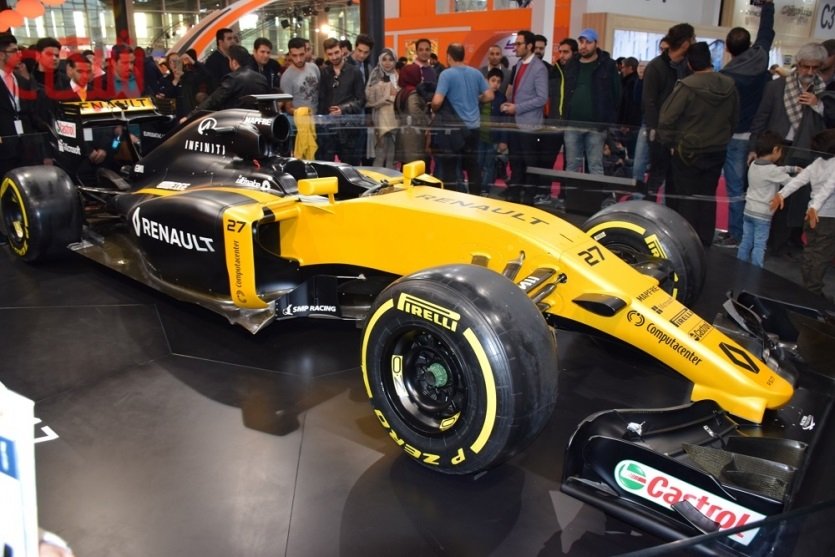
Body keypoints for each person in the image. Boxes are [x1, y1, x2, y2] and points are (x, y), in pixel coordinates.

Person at [750, 42, 828, 256]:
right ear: (797, 64)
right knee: (772, 197)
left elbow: (828, 122)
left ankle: (788, 242)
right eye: (805, 66)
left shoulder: (823, 91)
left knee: (799, 200)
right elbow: (761, 118)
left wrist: (818, 105)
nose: (809, 72)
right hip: (778, 150)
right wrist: (754, 148)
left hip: (808, 152)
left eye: (815, 67)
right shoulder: (776, 87)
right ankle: (768, 242)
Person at [658, 42, 739, 247]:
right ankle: (704, 239)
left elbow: (666, 118)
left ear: (689, 63)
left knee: (686, 197)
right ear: (709, 59)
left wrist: (671, 143)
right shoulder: (729, 86)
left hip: (688, 150)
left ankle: (686, 240)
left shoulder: (687, 86)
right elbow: (734, 118)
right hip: (717, 149)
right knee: (708, 196)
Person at [716, 0, 775, 248]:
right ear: (749, 44)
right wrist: (768, 7)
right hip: (754, 134)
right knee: (743, 187)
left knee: (733, 187)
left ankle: (736, 234)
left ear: (728, 48)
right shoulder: (761, 57)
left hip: (732, 135)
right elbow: (766, 31)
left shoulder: (727, 76)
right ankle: (739, 233)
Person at [771, 129, 835, 297]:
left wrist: (781, 194)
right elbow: (828, 189)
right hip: (827, 217)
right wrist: (815, 206)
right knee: (821, 255)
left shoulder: (817, 163)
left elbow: (798, 180)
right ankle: (813, 290)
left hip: (811, 215)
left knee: (810, 251)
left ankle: (808, 285)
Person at [430, 42, 493, 194]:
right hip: (474, 127)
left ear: (448, 56)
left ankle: (452, 199)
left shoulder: (446, 74)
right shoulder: (476, 73)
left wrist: (433, 108)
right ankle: (476, 197)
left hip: (454, 128)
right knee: (473, 165)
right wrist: (477, 99)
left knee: (450, 166)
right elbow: (490, 95)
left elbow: (437, 101)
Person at [642, 24, 694, 201]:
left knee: (676, 177)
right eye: (692, 39)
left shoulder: (688, 67)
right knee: (657, 174)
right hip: (660, 131)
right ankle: (647, 208)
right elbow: (649, 102)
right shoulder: (656, 66)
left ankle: (671, 211)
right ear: (685, 43)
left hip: (681, 133)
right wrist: (655, 130)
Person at [561, 28, 620, 177]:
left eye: (588, 42)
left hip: (596, 126)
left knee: (595, 165)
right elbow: (564, 93)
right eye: (581, 42)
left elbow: (616, 94)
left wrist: (608, 122)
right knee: (572, 166)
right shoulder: (572, 64)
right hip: (572, 124)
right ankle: (572, 193)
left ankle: (594, 193)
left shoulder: (608, 65)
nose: (584, 46)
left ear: (596, 44)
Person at [737, 130, 799, 267]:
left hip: (749, 210)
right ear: (776, 150)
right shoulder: (772, 170)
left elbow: (779, 170)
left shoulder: (753, 164)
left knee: (746, 241)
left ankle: (739, 266)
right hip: (763, 215)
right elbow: (791, 183)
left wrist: (793, 168)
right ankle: (756, 270)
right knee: (760, 245)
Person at [502, 30, 548, 204]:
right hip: (515, 123)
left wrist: (517, 108)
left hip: (530, 125)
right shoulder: (519, 64)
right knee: (515, 162)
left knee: (529, 164)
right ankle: (514, 196)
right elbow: (519, 94)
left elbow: (542, 98)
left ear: (529, 46)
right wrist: (508, 104)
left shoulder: (539, 68)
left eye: (519, 44)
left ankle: (528, 199)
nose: (516, 47)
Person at [317, 37, 365, 165]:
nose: (334, 57)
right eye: (330, 54)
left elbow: (361, 100)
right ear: (326, 54)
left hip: (349, 129)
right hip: (329, 129)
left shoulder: (355, 72)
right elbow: (321, 100)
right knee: (327, 167)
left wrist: (343, 110)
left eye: (336, 52)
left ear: (342, 51)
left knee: (350, 168)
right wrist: (321, 124)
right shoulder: (324, 73)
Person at [189, 45, 268, 115]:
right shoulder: (262, 78)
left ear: (234, 62)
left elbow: (213, 100)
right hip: (256, 121)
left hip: (234, 122)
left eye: (229, 60)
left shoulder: (233, 79)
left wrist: (191, 115)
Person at [365, 48, 399, 168]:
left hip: (394, 118)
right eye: (384, 59)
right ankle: (377, 177)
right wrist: (385, 96)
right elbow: (368, 98)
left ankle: (392, 176)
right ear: (380, 60)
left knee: (392, 153)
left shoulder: (397, 76)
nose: (387, 63)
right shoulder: (375, 75)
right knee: (380, 151)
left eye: (390, 59)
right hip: (379, 117)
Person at [477, 67, 508, 195]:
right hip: (479, 136)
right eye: (493, 80)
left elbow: (504, 122)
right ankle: (476, 186)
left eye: (499, 82)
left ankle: (485, 188)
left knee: (489, 165)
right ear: (487, 80)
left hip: (493, 137)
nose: (496, 84)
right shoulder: (480, 96)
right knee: (478, 163)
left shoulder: (501, 98)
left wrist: (503, 140)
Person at [394, 63, 429, 166]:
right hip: (414, 138)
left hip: (403, 134)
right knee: (415, 169)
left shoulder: (402, 92)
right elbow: (415, 113)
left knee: (405, 168)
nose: (422, 77)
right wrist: (427, 123)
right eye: (419, 74)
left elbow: (397, 113)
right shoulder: (413, 93)